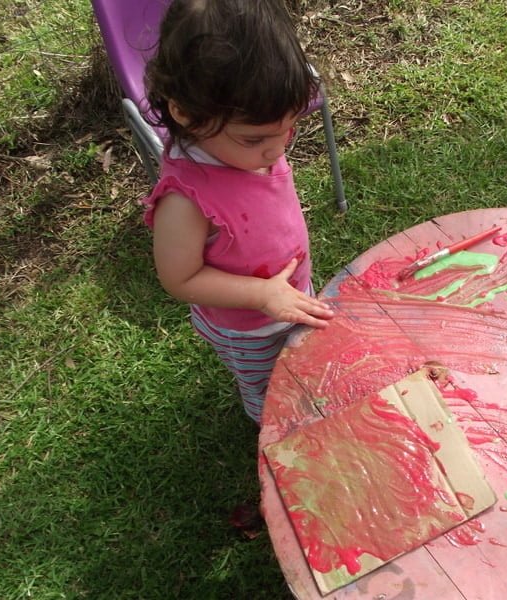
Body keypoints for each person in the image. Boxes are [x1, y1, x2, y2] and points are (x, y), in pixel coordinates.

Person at [141, 0, 335, 424]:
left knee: (306, 363)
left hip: (289, 293)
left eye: (289, 128)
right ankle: (276, 431)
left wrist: (281, 292)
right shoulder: (186, 200)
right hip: (249, 327)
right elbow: (180, 278)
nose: (277, 148)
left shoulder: (246, 144)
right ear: (186, 115)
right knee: (273, 394)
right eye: (256, 139)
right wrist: (262, 295)